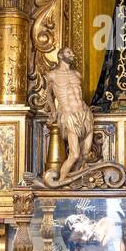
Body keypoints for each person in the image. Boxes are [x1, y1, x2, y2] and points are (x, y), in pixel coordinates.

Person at [45, 47, 94, 180]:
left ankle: (75, 180)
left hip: (85, 114)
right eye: (69, 52)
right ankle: (61, 182)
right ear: (60, 55)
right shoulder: (52, 75)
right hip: (69, 115)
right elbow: (48, 95)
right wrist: (54, 111)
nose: (72, 54)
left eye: (72, 52)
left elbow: (78, 94)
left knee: (85, 154)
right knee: (75, 154)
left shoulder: (77, 74)